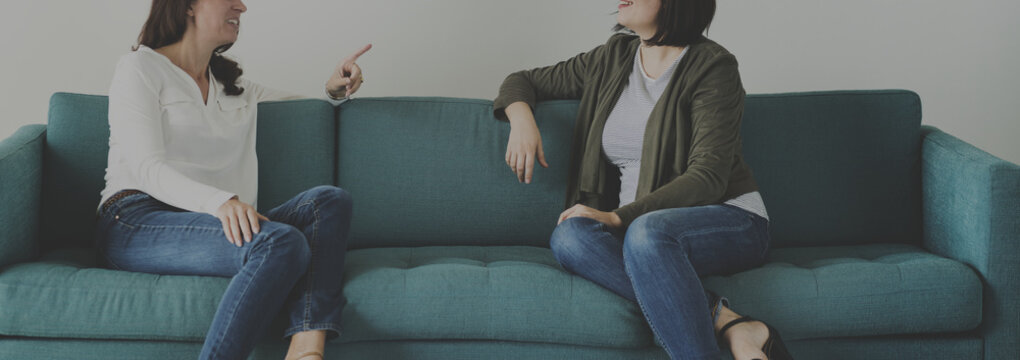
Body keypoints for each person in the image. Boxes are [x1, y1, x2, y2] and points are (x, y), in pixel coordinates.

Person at [493, 1, 792, 359]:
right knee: (570, 236)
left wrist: (619, 217)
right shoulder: (611, 58)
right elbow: (521, 81)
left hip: (731, 219)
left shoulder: (714, 66)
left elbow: (708, 176)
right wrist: (522, 122)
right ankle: (730, 321)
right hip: (643, 230)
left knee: (648, 233)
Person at [94, 0, 368, 359]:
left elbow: (305, 111)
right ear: (188, 6)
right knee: (279, 243)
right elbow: (146, 166)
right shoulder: (140, 67)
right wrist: (220, 201)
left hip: (214, 222)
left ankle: (306, 349)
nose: (242, 7)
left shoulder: (234, 86)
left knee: (329, 202)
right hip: (135, 220)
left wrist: (334, 90)